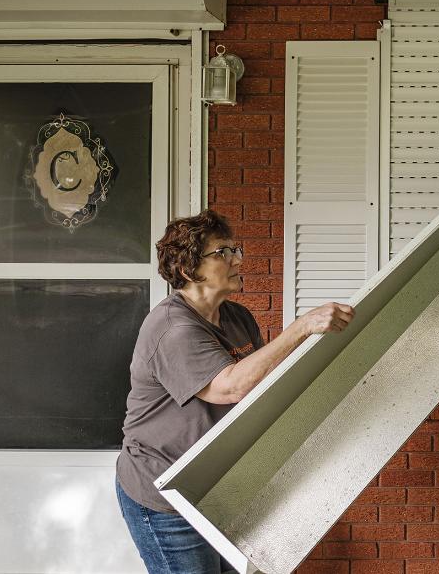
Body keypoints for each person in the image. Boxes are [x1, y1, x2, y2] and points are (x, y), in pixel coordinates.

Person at [115, 209, 355, 573]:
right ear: (187, 269)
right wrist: (303, 326)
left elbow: (262, 385)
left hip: (213, 489)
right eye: (222, 253)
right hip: (164, 496)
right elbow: (230, 388)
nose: (238, 259)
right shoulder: (172, 328)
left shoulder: (237, 318)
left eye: (235, 250)